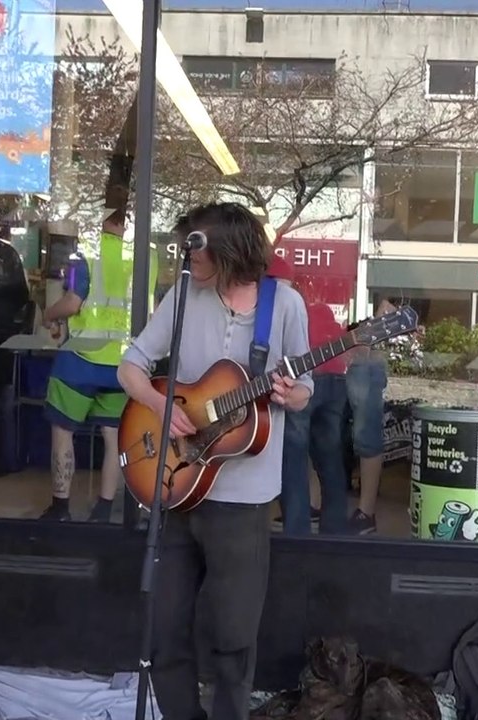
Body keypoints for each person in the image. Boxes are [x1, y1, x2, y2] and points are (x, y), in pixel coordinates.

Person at [117, 202, 313, 720]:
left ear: (228, 252)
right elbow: (132, 367)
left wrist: (292, 394)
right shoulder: (183, 294)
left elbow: (305, 390)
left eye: (197, 249)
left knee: (233, 634)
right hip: (175, 484)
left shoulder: (285, 304)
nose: (188, 258)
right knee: (164, 629)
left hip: (241, 499)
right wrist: (160, 407)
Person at [41, 209, 155, 522]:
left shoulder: (85, 255)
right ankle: (104, 509)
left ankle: (60, 507)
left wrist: (48, 314)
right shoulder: (149, 256)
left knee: (63, 430)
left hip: (81, 359)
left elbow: (73, 302)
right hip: (125, 363)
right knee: (114, 437)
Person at [267, 254, 351, 536]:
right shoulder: (320, 310)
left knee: (294, 459)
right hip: (336, 379)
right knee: (330, 459)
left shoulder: (282, 304)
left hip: (304, 381)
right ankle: (335, 530)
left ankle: (297, 532)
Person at [345, 297, 397, 534]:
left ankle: (366, 513)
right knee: (319, 435)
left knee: (366, 434)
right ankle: (316, 506)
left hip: (364, 361)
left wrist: (379, 318)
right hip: (346, 358)